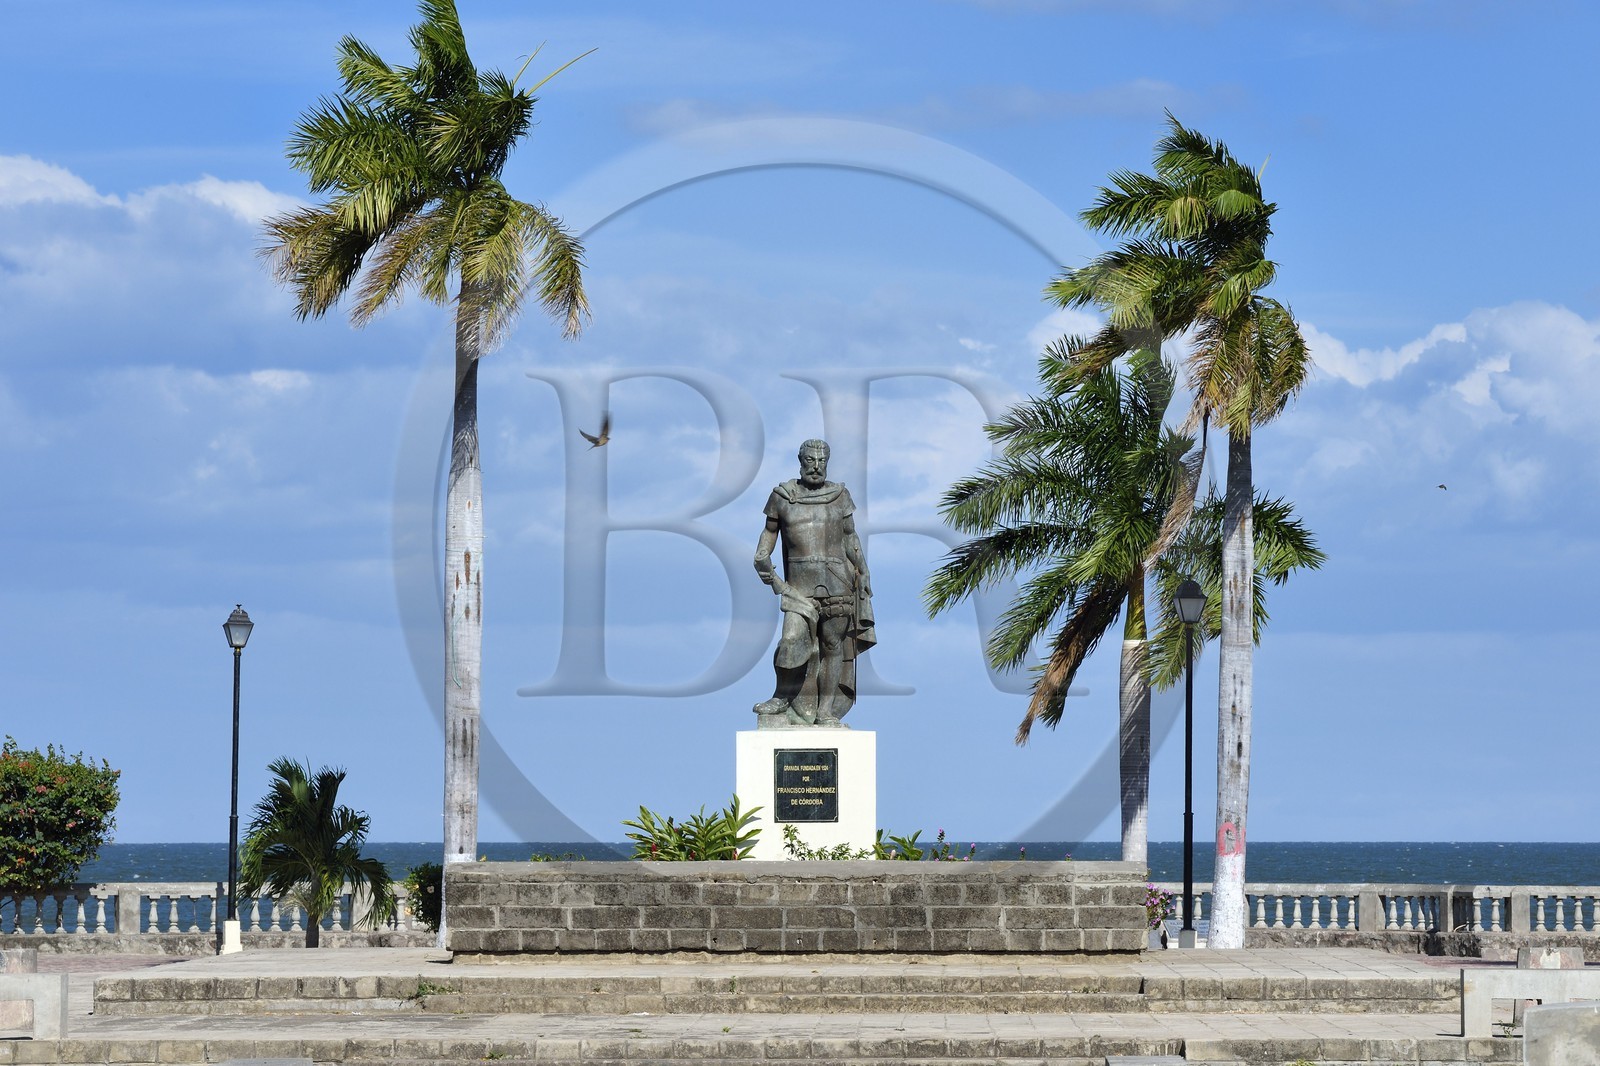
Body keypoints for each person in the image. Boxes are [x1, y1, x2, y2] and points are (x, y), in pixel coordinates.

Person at [752, 439, 876, 726]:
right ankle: (782, 697)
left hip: (836, 583)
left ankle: (825, 712)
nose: (816, 467)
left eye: (821, 461)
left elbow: (849, 536)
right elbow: (770, 532)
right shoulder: (782, 496)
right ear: (801, 460)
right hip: (798, 586)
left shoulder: (840, 495)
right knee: (791, 639)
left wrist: (863, 569)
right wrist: (762, 554)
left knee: (833, 646)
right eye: (811, 461)